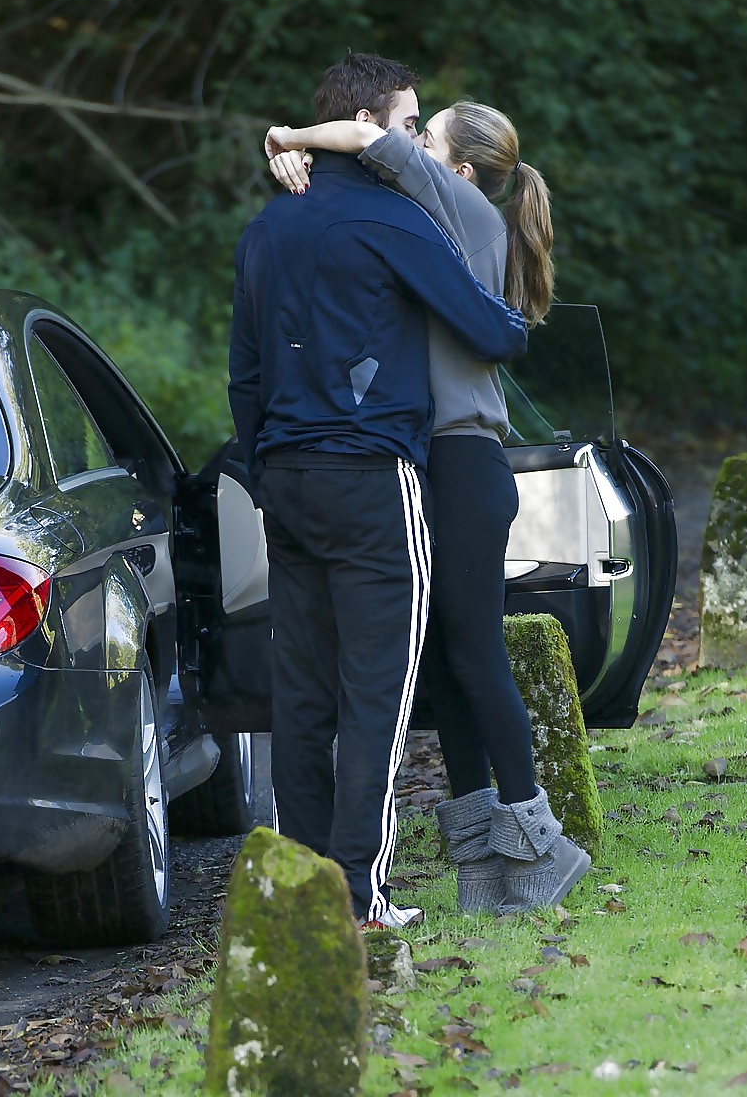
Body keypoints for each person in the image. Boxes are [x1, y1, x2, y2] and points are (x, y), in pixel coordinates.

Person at [264, 97, 592, 914]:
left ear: (459, 168)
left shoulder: (461, 206)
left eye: (426, 136)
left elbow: (371, 138)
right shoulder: (432, 216)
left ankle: (539, 845)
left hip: (465, 458)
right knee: (447, 664)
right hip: (437, 459)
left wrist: (289, 136)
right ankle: (484, 865)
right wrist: (295, 170)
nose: (409, 143)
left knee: (475, 654)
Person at [229, 53, 529, 929]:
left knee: (303, 694)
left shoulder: (264, 230)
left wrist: (263, 461)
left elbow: (244, 374)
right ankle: (359, 896)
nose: (412, 141)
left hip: (282, 476)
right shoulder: (393, 223)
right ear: (367, 129)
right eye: (406, 125)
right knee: (378, 692)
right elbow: (494, 331)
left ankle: (296, 894)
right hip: (370, 475)